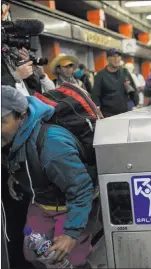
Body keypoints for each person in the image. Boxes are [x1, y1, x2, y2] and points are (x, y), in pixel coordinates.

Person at [1, 85, 94, 268]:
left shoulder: (52, 144)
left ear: (21, 116)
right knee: (33, 253)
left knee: (68, 260)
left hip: (68, 206)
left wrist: (71, 233)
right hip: (41, 204)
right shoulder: (13, 137)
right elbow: (23, 159)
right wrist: (16, 176)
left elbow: (81, 190)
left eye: (1, 121)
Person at [91, 48, 139, 117]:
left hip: (124, 114)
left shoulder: (124, 72)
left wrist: (137, 104)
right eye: (113, 56)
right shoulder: (100, 75)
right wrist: (98, 113)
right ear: (107, 59)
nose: (116, 59)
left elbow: (132, 90)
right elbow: (95, 96)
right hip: (107, 115)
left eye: (118, 56)